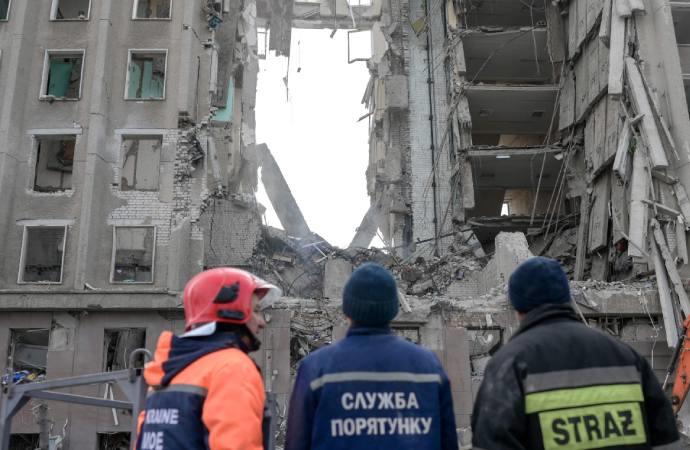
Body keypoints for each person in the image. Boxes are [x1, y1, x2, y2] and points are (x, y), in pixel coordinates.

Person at [472, 256, 679, 450]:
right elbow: (666, 439)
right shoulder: (625, 356)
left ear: (517, 307)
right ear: (567, 298)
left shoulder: (509, 365)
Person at [285, 262, 459, 450]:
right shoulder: (430, 367)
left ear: (347, 310)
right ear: (394, 309)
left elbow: (296, 443)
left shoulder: (316, 369)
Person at [136, 267, 280, 450]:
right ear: (233, 312)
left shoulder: (168, 371)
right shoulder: (232, 367)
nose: (262, 322)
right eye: (257, 311)